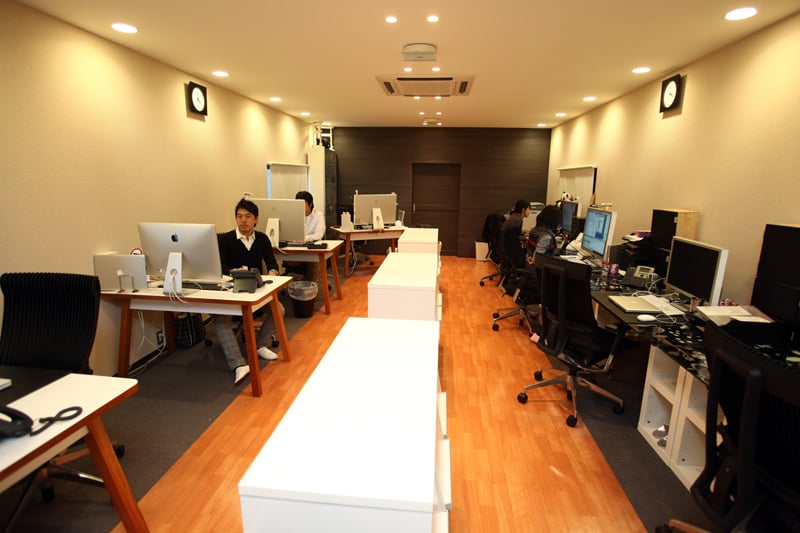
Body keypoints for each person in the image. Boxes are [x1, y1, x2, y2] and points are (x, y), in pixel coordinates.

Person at [216, 198, 285, 384]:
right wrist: (233, 271)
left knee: (279, 309)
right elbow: (220, 265)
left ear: (256, 219)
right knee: (220, 319)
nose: (243, 220)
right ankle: (239, 364)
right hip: (232, 289)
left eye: (247, 216)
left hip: (256, 290)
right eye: (239, 216)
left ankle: (259, 345)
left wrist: (273, 272)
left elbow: (271, 262)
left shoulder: (262, 239)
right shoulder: (226, 239)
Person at [283, 191, 325, 280]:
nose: (300, 207)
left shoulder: (318, 215)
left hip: (311, 250)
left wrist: (304, 238)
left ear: (310, 204)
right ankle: (292, 283)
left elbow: (318, 235)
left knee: (315, 264)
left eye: (303, 204)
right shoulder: (293, 215)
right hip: (295, 249)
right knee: (282, 259)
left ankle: (309, 285)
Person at [501, 199, 531, 268]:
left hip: (506, 250)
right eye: (529, 209)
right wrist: (526, 237)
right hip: (511, 253)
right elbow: (514, 238)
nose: (530, 211)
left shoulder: (514, 217)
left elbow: (513, 235)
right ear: (523, 210)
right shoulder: (517, 220)